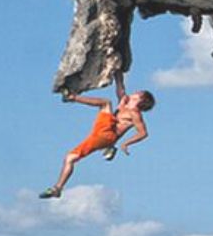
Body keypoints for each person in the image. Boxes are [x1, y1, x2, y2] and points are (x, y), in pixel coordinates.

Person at [39, 71, 155, 199]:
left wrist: (126, 143)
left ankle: (71, 97)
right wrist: (117, 69)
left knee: (106, 103)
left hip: (107, 134)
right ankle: (57, 188)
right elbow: (120, 85)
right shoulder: (123, 103)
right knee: (70, 158)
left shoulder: (135, 113)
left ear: (140, 99)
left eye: (138, 93)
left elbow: (143, 133)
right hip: (100, 136)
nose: (135, 91)